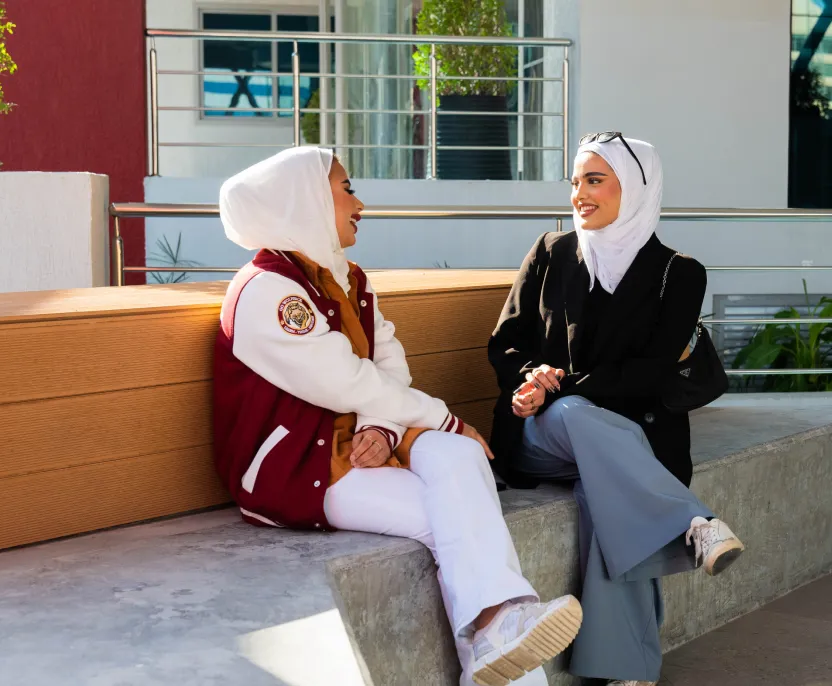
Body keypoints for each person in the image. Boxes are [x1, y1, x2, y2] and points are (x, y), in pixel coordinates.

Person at [211, 147, 583, 686]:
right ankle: (496, 635)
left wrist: (383, 427)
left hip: (361, 438)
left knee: (458, 464)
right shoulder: (266, 292)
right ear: (307, 200)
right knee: (457, 516)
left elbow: (388, 363)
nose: (359, 202)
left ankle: (496, 632)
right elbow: (344, 381)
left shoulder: (348, 278)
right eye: (346, 188)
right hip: (299, 467)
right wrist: (442, 418)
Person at [487, 133, 745, 686]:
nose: (579, 193)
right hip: (543, 431)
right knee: (578, 417)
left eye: (595, 180)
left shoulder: (680, 273)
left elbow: (650, 373)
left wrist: (563, 384)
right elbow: (505, 342)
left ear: (638, 187)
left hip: (635, 440)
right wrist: (533, 379)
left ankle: (626, 670)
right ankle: (692, 520)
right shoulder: (552, 252)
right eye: (576, 180)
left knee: (606, 491)